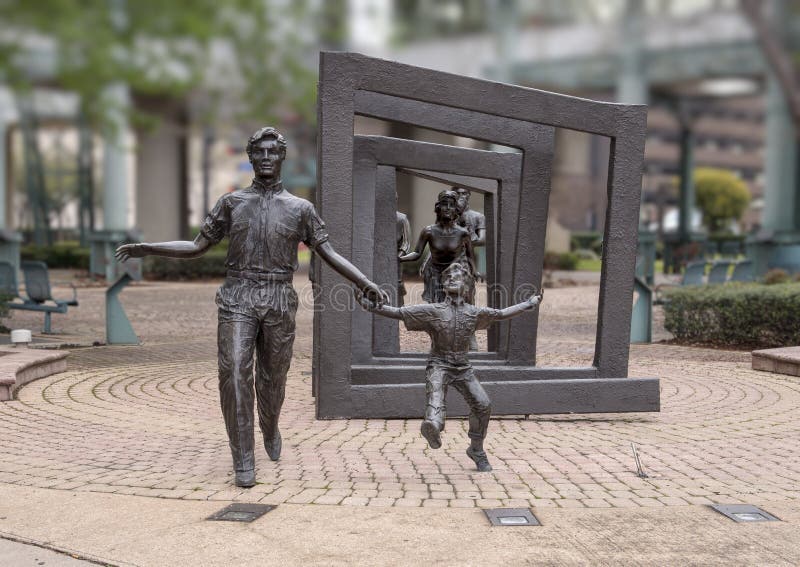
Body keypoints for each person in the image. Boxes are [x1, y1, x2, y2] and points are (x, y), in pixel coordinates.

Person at [115, 126, 386, 488]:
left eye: (273, 152)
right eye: (259, 152)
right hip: (238, 295)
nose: (266, 158)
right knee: (234, 372)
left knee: (272, 380)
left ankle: (269, 424)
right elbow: (197, 246)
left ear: (283, 157)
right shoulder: (231, 203)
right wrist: (148, 249)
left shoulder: (301, 209)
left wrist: (364, 282)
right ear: (250, 157)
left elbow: (329, 253)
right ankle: (243, 458)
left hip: (278, 298)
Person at [356, 262, 543, 472]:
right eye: (449, 276)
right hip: (439, 364)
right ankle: (433, 426)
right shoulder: (432, 311)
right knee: (435, 398)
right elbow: (399, 312)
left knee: (483, 404)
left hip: (463, 368)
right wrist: (369, 305)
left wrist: (528, 304)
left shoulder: (475, 313)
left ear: (467, 284)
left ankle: (476, 449)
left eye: (459, 276)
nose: (453, 278)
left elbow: (500, 314)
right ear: (443, 284)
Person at [400, 190, 478, 304]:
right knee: (437, 307)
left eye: (451, 205)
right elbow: (417, 253)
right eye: (444, 204)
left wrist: (474, 272)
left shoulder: (463, 233)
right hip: (434, 273)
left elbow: (470, 257)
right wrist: (400, 258)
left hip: (455, 273)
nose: (447, 208)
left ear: (456, 209)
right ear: (438, 207)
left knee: (457, 304)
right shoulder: (428, 231)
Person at [396, 209, 412, 305]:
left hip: (396, 257)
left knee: (397, 284)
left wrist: (399, 256)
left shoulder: (401, 218)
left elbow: (406, 242)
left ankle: (399, 309)